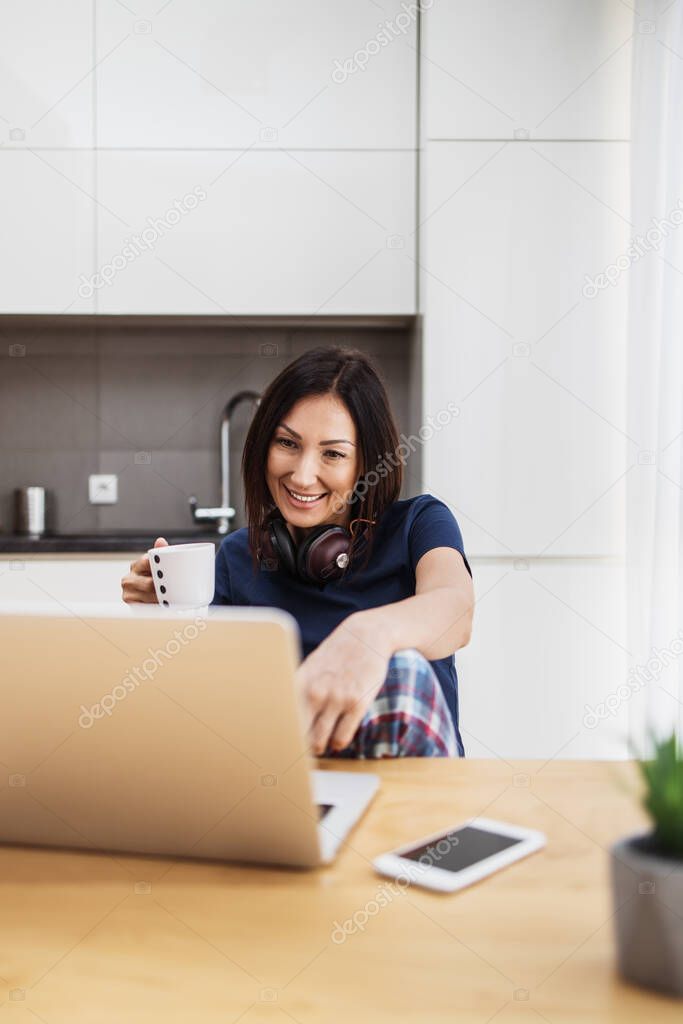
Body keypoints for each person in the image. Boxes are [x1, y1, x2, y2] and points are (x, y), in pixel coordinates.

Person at [121, 346, 474, 758]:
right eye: (287, 443)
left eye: (333, 453)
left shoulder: (418, 523)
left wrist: (371, 636)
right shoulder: (238, 556)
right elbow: (207, 710)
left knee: (405, 674)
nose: (303, 475)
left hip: (410, 803)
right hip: (285, 794)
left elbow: (456, 610)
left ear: (366, 463)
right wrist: (162, 621)